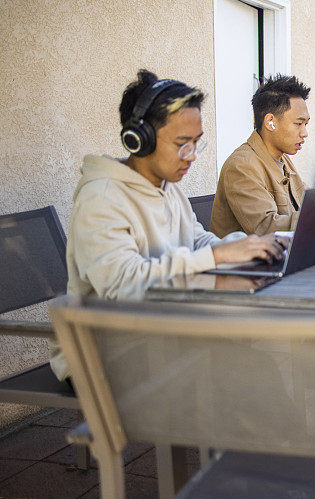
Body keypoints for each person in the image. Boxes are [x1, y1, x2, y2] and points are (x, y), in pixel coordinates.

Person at [51, 70, 286, 381]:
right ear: (139, 139)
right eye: (181, 143)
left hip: (157, 331)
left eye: (196, 143)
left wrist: (246, 247)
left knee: (257, 364)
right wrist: (216, 258)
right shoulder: (102, 197)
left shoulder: (167, 187)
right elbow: (124, 285)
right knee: (246, 371)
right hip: (104, 350)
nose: (191, 156)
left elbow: (197, 240)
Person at [210, 74, 310, 237]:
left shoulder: (283, 159)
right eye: (298, 124)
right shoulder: (241, 165)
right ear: (270, 122)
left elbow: (307, 203)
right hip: (247, 261)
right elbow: (266, 228)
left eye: (306, 124)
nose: (304, 133)